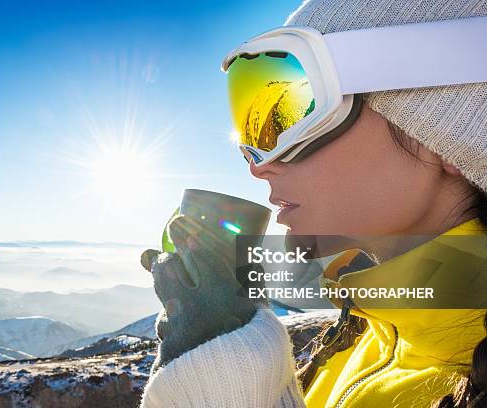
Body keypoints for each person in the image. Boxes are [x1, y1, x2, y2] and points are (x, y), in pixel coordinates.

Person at [140, 0, 487, 406]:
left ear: (444, 137)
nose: (261, 165)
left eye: (295, 116)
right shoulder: (362, 333)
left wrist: (222, 379)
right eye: (253, 127)